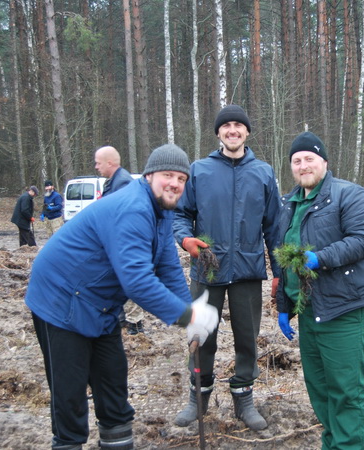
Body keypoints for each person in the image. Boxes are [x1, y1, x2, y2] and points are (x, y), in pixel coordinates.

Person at [25, 144, 219, 449]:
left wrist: (189, 306)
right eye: (168, 175)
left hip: (100, 305)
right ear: (150, 175)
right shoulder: (134, 208)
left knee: (113, 386)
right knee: (71, 396)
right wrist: (187, 317)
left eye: (181, 179)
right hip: (59, 298)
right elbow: (137, 281)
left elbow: (167, 262)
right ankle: (68, 443)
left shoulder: (162, 210)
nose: (175, 184)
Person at [173, 104, 281, 431]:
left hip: (248, 270)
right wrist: (186, 240)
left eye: (238, 126)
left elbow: (275, 226)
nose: (232, 130)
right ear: (218, 132)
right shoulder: (199, 170)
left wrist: (279, 272)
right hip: (207, 268)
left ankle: (244, 400)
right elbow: (180, 216)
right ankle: (198, 398)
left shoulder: (263, 173)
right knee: (200, 335)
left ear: (247, 132)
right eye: (226, 126)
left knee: (247, 338)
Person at [275, 131, 364, 449]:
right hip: (309, 310)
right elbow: (283, 259)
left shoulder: (350, 195)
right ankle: (333, 444)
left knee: (345, 389)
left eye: (309, 158)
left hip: (344, 307)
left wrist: (319, 258)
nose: (303, 165)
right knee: (320, 388)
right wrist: (284, 304)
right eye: (296, 160)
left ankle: (350, 445)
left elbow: (363, 241)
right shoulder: (289, 204)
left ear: (323, 161)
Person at [95, 145, 141, 334]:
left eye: (98, 163)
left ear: (110, 162)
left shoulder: (122, 183)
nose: (96, 167)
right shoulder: (112, 182)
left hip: (125, 245)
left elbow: (121, 217)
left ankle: (135, 325)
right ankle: (122, 318)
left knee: (129, 281)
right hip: (115, 244)